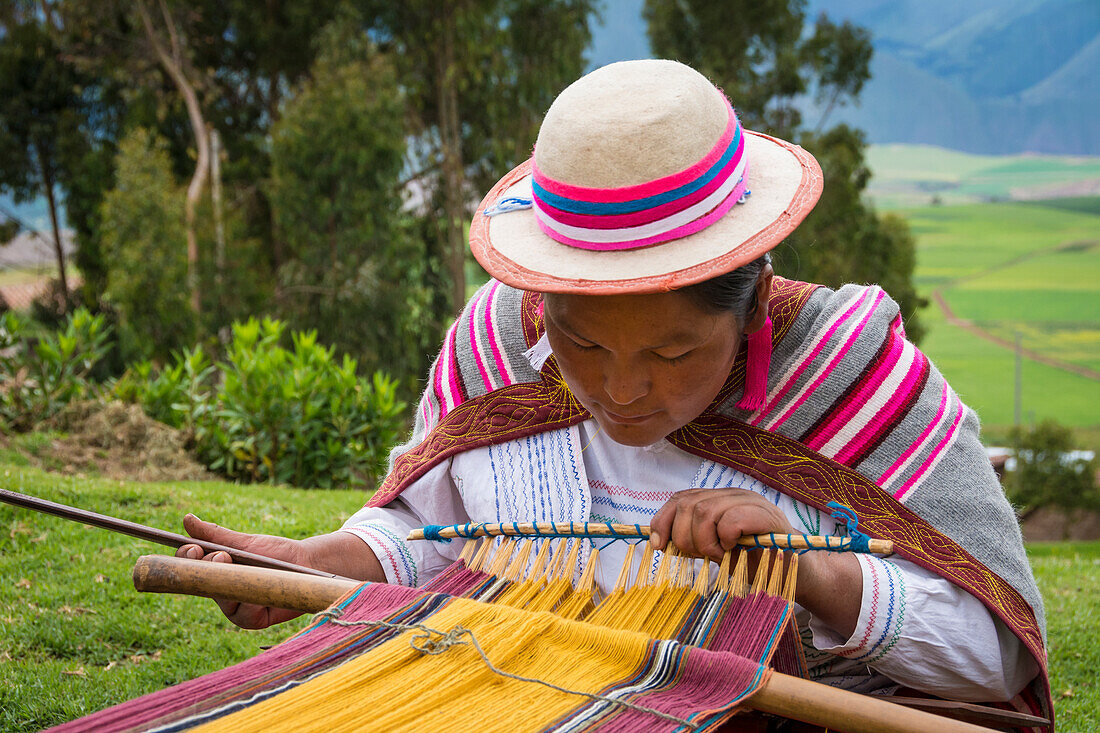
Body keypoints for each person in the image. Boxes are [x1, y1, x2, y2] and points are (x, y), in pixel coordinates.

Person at [178, 59, 1049, 716]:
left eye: (672, 355)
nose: (621, 390)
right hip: (516, 694)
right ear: (539, 302)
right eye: (581, 341)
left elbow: (996, 659)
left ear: (750, 310)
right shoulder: (494, 344)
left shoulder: (850, 375)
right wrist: (319, 561)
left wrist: (811, 570)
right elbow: (432, 533)